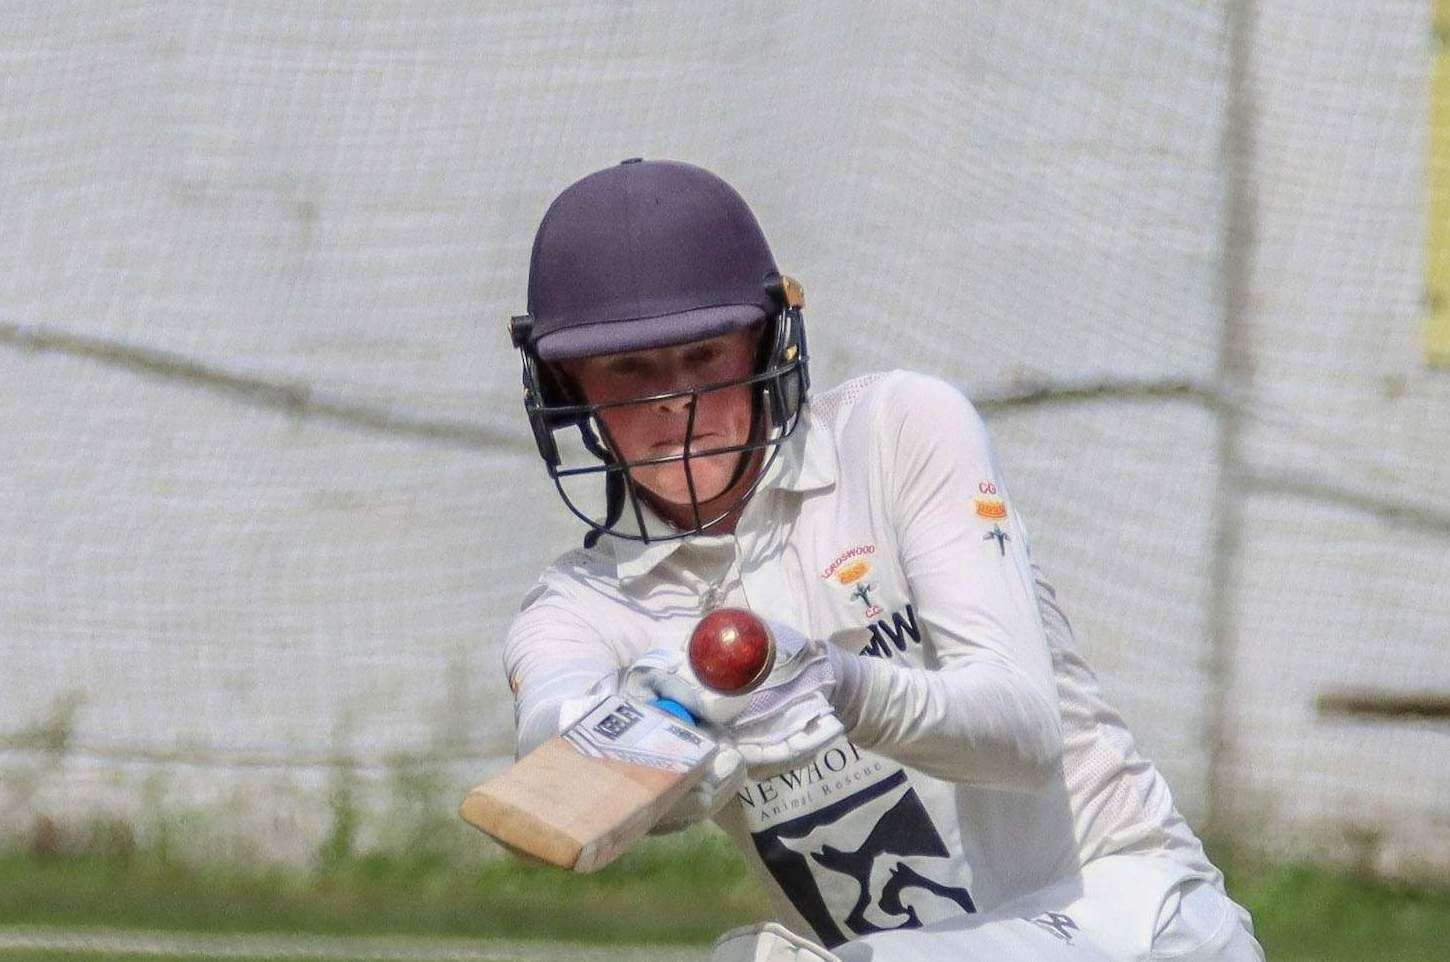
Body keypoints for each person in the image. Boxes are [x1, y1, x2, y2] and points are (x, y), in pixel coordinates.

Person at [502, 158, 1265, 962]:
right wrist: (640, 739)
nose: (675, 405)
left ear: (764, 343)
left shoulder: (897, 435)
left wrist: (836, 683)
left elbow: (1022, 731)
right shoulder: (576, 608)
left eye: (704, 356)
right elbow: (551, 747)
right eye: (629, 370)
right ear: (568, 389)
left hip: (1131, 920)